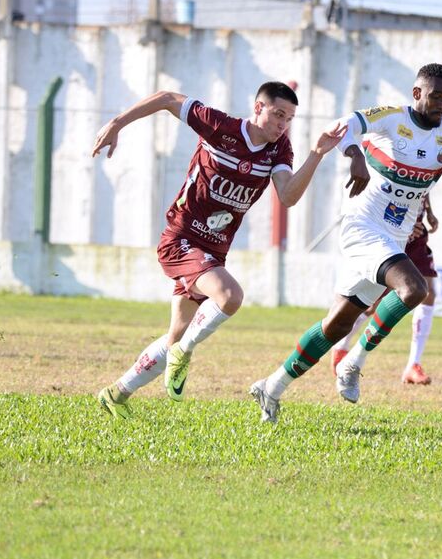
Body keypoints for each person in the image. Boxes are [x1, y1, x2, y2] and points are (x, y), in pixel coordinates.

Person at [93, 82, 346, 418]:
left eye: (289, 118)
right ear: (258, 108)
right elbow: (168, 99)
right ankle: (185, 351)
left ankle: (116, 393)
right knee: (229, 296)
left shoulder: (279, 149)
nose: (282, 124)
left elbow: (287, 196)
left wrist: (316, 154)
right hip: (181, 238)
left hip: (214, 250)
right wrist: (117, 123)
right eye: (277, 114)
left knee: (176, 334)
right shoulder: (220, 127)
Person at [249, 63, 442, 424]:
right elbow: (341, 127)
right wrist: (355, 154)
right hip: (362, 227)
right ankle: (353, 363)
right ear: (417, 93)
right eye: (436, 96)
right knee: (414, 289)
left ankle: (272, 386)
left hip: (395, 235)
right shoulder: (391, 118)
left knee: (337, 325)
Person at [329, 194, 440, 385]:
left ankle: (413, 365)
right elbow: (384, 192)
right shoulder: (388, 165)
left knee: (428, 293)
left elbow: (425, 184)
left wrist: (429, 211)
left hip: (417, 236)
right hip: (390, 234)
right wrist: (403, 225)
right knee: (374, 303)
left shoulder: (432, 166)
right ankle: (341, 347)